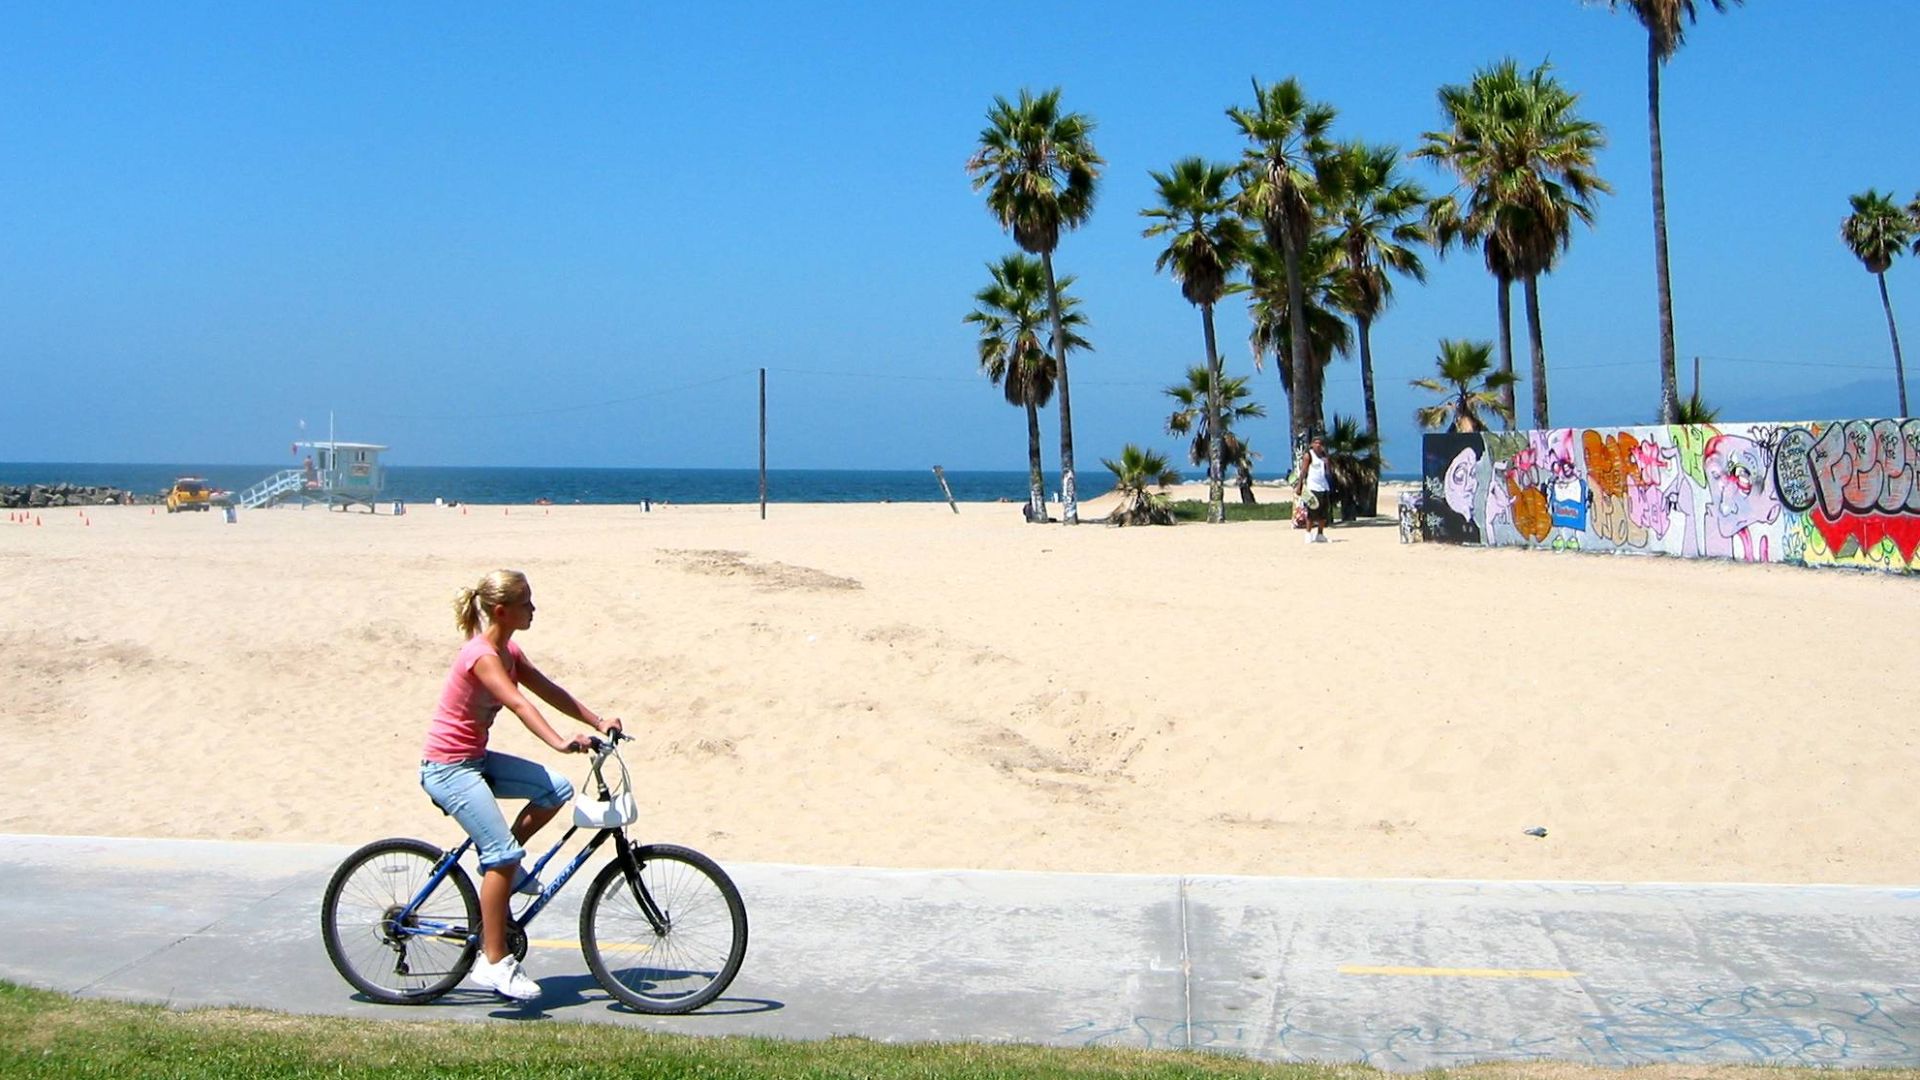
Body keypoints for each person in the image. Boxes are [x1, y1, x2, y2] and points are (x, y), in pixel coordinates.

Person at [419, 569, 621, 1002]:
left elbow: (548, 690)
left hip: (474, 761)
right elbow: (517, 703)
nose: (533, 609)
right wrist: (559, 742)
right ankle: (493, 962)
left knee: (555, 790)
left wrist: (597, 720)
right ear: (501, 611)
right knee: (503, 855)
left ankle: (501, 874)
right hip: (448, 769)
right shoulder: (481, 656)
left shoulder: (508, 650)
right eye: (526, 602)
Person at [1294, 435, 1334, 544]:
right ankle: (1308, 533)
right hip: (1313, 487)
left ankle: (1320, 534)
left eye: (1320, 443)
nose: (1318, 445)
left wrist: (1327, 462)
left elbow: (1328, 472)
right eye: (1316, 443)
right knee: (1312, 512)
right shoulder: (1309, 455)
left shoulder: (1324, 456)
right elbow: (1303, 471)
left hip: (1324, 486)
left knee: (1323, 513)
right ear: (1312, 444)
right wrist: (1299, 485)